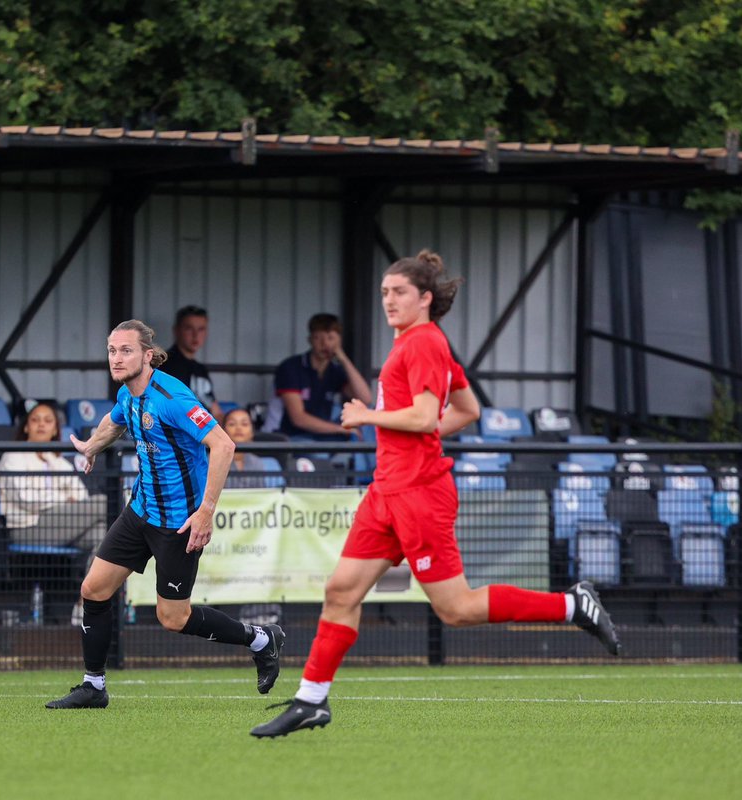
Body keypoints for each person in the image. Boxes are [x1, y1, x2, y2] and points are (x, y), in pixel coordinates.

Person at [251, 250, 620, 737]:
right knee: (341, 590)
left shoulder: (423, 342)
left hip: (420, 494)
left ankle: (573, 605)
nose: (389, 300)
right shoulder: (413, 342)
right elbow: (467, 409)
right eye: (384, 292)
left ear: (425, 298)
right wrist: (413, 436)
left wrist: (366, 417)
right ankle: (311, 700)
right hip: (388, 491)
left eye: (399, 292)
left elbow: (426, 417)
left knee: (457, 609)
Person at [46, 319, 285, 709]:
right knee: (94, 589)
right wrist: (92, 446)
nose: (117, 358)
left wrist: (206, 512)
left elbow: (223, 445)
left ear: (147, 355)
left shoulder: (172, 397)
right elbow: (116, 419)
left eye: (126, 350)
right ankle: (94, 685)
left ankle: (261, 639)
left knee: (173, 618)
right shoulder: (128, 393)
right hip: (140, 510)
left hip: (179, 522)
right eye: (112, 350)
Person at [0, 401, 106, 624]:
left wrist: (65, 502)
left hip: (59, 524)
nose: (41, 425)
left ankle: (84, 604)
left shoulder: (57, 461)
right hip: (27, 527)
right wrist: (63, 499)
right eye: (35, 420)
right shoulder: (13, 456)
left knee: (104, 535)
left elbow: (81, 495)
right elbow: (26, 499)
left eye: (48, 421)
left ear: (56, 429)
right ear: (26, 427)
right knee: (104, 503)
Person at [271, 312, 372, 440]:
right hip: (290, 436)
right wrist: (339, 429)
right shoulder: (291, 367)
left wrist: (344, 359)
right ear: (310, 340)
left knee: (364, 428)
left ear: (338, 341)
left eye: (330, 338)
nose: (324, 344)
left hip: (324, 435)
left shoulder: (335, 370)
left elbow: (365, 399)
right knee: (320, 454)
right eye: (318, 338)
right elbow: (298, 419)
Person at [158, 305, 224, 421]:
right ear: (176, 331)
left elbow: (216, 412)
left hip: (205, 432)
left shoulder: (200, 370)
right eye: (189, 328)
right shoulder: (164, 365)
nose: (195, 335)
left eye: (201, 329)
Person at [222, 407, 274, 489]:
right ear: (223, 431)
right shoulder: (211, 461)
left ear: (252, 433)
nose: (238, 428)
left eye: (244, 424)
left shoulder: (257, 462)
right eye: (232, 424)